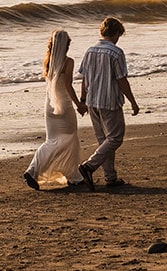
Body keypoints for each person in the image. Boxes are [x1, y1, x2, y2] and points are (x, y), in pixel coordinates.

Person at [77, 16, 139, 189]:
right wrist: (133, 101)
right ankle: (89, 166)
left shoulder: (90, 50)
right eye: (120, 34)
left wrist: (83, 99)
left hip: (92, 100)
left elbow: (84, 79)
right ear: (117, 32)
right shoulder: (116, 53)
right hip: (109, 101)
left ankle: (110, 177)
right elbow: (121, 80)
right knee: (115, 138)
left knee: (103, 140)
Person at [24, 29, 89, 191]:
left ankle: (39, 170)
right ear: (66, 45)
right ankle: (70, 176)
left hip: (50, 105)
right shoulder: (68, 62)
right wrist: (79, 104)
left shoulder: (48, 61)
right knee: (70, 138)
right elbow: (68, 86)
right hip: (64, 106)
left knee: (52, 140)